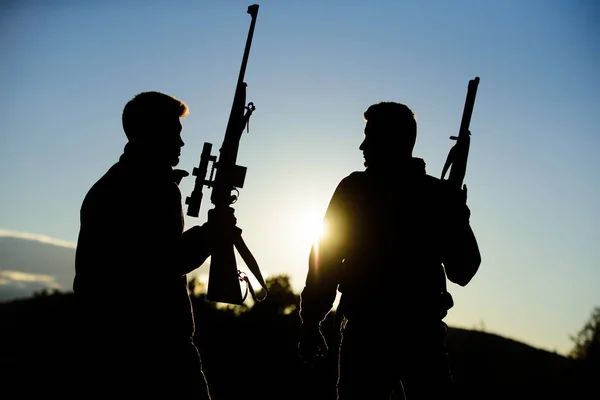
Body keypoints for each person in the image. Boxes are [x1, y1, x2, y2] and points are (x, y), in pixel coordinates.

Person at [297, 102, 481, 399]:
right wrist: (456, 214)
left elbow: (326, 261)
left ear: (390, 140)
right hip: (419, 339)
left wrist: (310, 323)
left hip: (373, 337)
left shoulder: (354, 189)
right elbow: (464, 271)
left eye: (370, 136)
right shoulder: (435, 195)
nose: (362, 145)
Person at [73, 91, 232, 399]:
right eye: (174, 133)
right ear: (150, 134)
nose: (181, 144)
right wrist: (212, 234)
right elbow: (159, 263)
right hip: (154, 352)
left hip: (109, 351)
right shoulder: (150, 188)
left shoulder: (114, 184)